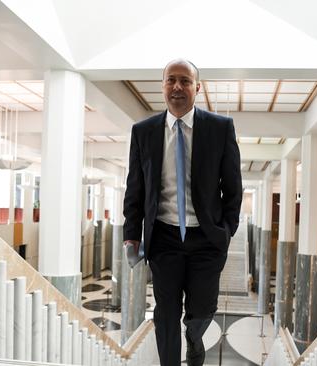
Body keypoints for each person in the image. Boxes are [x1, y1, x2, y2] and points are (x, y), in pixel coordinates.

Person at [123, 59, 242, 366]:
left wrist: (226, 230)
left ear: (197, 88)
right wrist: (131, 236)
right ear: (162, 86)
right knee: (165, 312)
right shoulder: (143, 131)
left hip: (207, 238)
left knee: (202, 310)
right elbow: (135, 188)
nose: (177, 87)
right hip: (163, 237)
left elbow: (233, 187)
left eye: (185, 81)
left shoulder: (220, 128)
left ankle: (194, 336)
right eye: (171, 80)